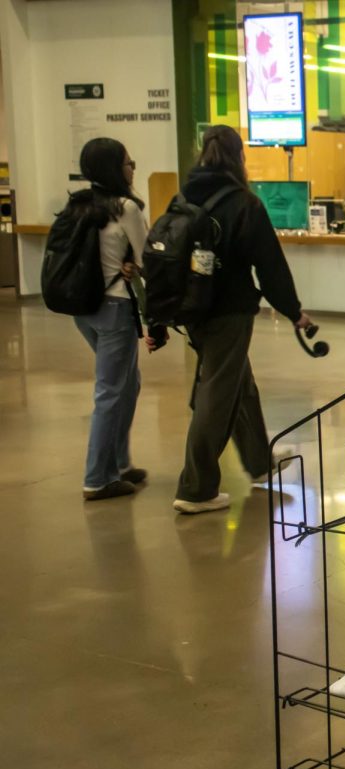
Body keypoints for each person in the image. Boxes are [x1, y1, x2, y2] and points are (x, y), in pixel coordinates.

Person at [172, 125, 311, 515]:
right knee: (217, 393)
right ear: (240, 158)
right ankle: (195, 488)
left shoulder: (182, 197)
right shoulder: (243, 204)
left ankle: (257, 461)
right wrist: (293, 310)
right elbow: (270, 266)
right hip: (229, 312)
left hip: (192, 310)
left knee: (239, 384)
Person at [66, 138, 161, 501]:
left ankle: (120, 463)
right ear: (113, 169)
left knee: (128, 383)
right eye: (127, 162)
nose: (132, 168)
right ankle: (97, 478)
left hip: (83, 308)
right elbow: (149, 258)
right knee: (111, 390)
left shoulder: (77, 204)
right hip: (114, 307)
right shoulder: (125, 208)